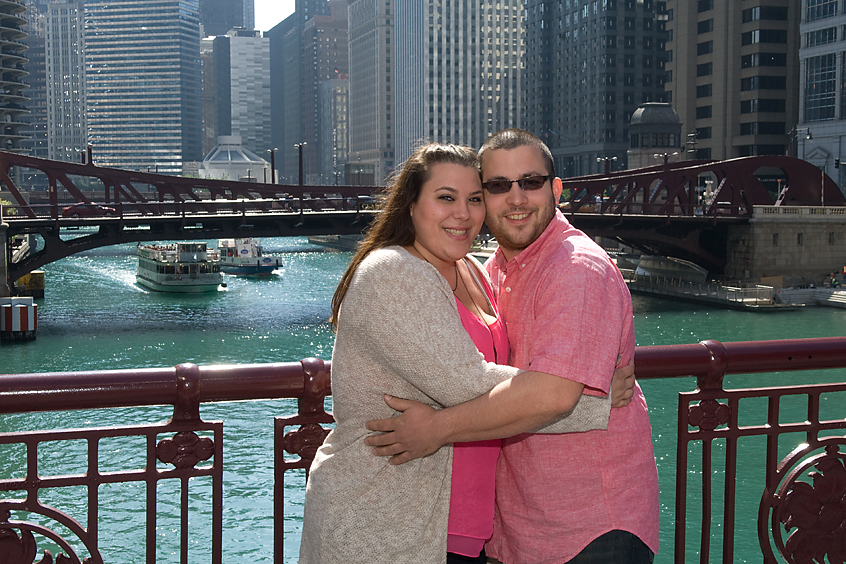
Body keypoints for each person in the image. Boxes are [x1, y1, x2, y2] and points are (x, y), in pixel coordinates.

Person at [298, 143, 629, 564]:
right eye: (445, 198)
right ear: (411, 206)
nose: (463, 213)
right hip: (383, 519)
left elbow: (502, 370)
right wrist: (588, 398)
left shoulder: (472, 269)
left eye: (474, 199)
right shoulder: (392, 274)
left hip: (460, 528)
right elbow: (467, 383)